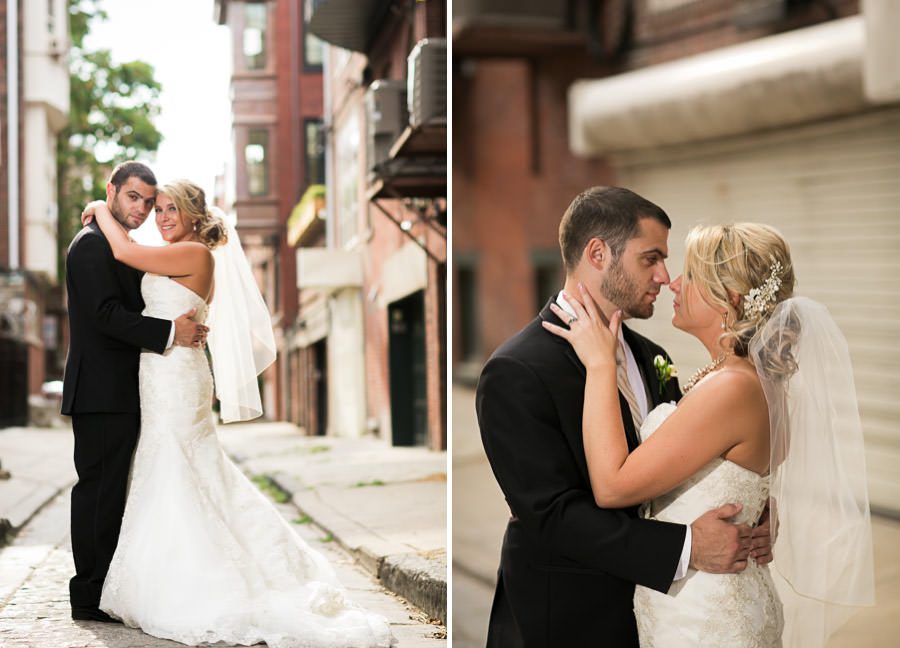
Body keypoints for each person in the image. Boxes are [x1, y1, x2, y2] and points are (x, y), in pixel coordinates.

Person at [80, 180, 393, 648]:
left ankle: (194, 581)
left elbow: (124, 251)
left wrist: (95, 207)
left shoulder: (195, 256)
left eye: (171, 209)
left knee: (178, 466)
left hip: (177, 377)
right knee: (172, 468)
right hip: (162, 373)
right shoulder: (176, 252)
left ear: (192, 216)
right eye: (157, 209)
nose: (161, 217)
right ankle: (168, 570)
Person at [544, 222, 874, 646]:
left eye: (692, 276)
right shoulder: (748, 381)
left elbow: (611, 487)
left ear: (729, 298)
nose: (674, 283)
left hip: (705, 620)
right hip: (709, 602)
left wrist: (600, 366)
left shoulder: (732, 388)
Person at [476, 187, 773, 647]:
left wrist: (757, 513)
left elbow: (698, 464)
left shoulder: (651, 354)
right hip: (569, 620)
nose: (664, 276)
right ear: (597, 253)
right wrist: (688, 547)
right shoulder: (516, 370)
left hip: (669, 613)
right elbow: (552, 515)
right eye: (650, 259)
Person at [62, 161, 208, 623]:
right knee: (99, 493)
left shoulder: (121, 245)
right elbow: (106, 315)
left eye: (151, 202)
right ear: (112, 192)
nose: (143, 209)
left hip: (136, 389)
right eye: (134, 198)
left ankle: (111, 586)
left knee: (119, 494)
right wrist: (169, 331)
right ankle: (87, 595)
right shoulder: (91, 246)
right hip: (101, 392)